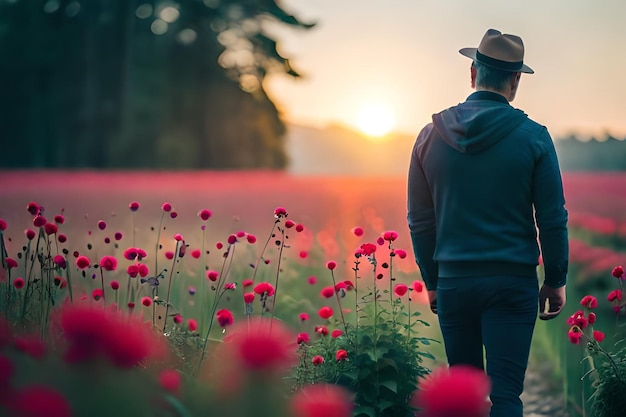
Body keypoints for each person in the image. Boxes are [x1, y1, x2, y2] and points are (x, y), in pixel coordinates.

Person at [407, 29, 568, 417]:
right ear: (515, 82)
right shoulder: (534, 138)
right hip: (512, 284)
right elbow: (551, 217)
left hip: (455, 283)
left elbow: (420, 222)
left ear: (472, 73)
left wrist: (431, 282)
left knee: (462, 399)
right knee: (507, 398)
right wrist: (556, 279)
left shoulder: (429, 136)